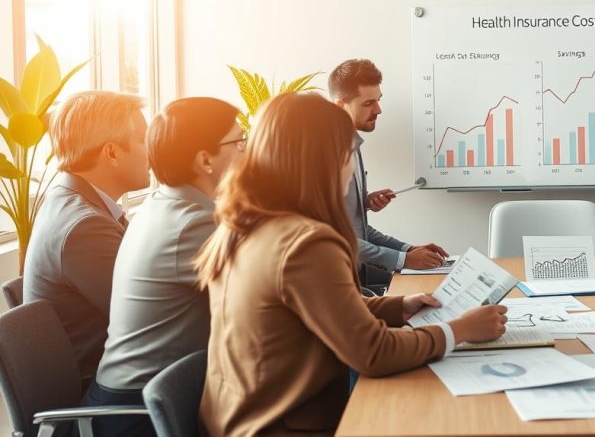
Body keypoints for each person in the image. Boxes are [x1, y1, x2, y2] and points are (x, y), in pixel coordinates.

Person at [194, 92, 506, 436]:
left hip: (238, 421)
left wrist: (398, 306)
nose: (350, 167)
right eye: (347, 154)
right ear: (324, 161)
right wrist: (460, 330)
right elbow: (374, 353)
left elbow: (312, 307)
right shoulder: (306, 243)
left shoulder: (245, 224)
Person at [84, 98, 244, 437]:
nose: (246, 153)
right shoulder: (191, 225)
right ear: (205, 160)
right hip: (137, 415)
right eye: (239, 142)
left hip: (147, 397)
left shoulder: (169, 204)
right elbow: (266, 291)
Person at [23, 91, 150, 386]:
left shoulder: (70, 199)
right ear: (112, 153)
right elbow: (149, 318)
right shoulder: (85, 227)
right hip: (107, 388)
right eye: (143, 140)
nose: (152, 151)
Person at [328, 59, 449, 285]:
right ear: (341, 105)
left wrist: (409, 250)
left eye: (379, 100)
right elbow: (337, 238)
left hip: (359, 273)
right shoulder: (325, 154)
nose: (378, 110)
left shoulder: (353, 145)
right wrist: (404, 259)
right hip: (339, 281)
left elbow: (357, 230)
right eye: (368, 103)